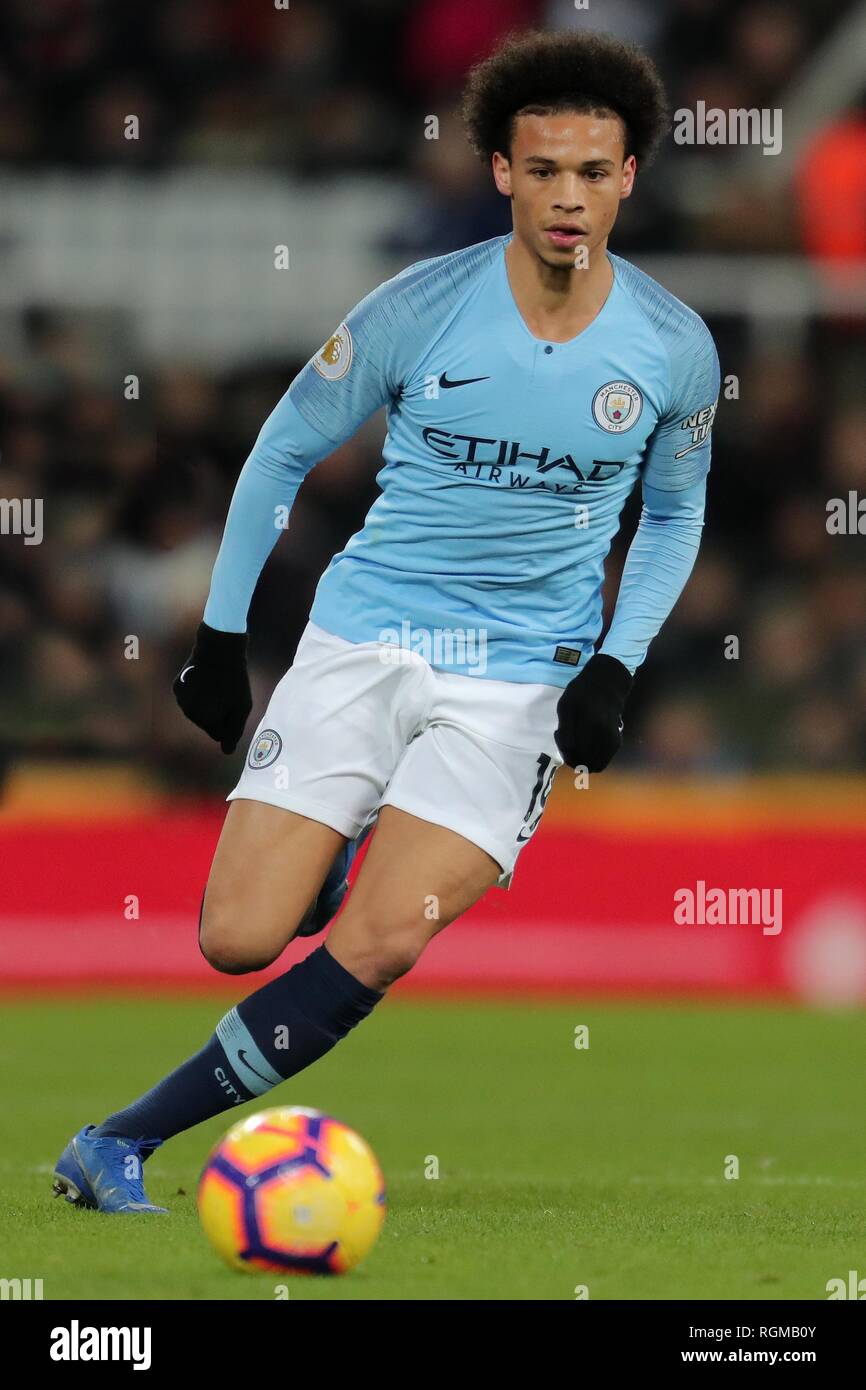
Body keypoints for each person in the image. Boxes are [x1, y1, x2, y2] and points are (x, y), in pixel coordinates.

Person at [53, 29, 719, 1213]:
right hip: (368, 635)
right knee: (239, 938)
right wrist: (218, 638)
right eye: (543, 169)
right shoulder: (419, 308)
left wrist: (614, 666)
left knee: (382, 941)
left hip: (521, 675)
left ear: (629, 178)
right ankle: (339, 846)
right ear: (501, 173)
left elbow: (669, 520)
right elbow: (280, 455)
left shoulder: (671, 348)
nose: (568, 196)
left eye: (593, 172)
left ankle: (117, 1143)